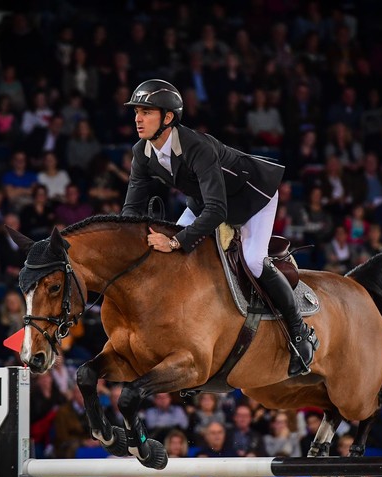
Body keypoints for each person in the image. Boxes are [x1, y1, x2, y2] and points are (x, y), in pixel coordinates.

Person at [120, 79, 317, 376]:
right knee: (176, 259)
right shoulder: (142, 152)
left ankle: (299, 332)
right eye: (136, 111)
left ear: (168, 117)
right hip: (206, 202)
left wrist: (174, 242)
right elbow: (131, 210)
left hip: (252, 197)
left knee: (253, 260)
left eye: (146, 111)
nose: (137, 118)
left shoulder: (196, 146)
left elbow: (218, 211)